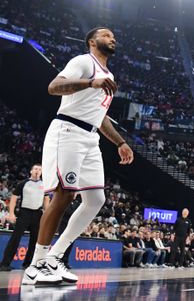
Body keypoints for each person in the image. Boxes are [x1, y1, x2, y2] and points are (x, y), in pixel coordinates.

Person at [23, 27, 134, 286]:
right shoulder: (84, 62)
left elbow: (101, 116)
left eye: (113, 35)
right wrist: (89, 82)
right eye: (106, 35)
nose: (112, 38)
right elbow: (54, 87)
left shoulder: (109, 74)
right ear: (92, 41)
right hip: (69, 129)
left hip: (91, 136)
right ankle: (36, 265)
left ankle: (55, 257)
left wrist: (120, 142)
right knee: (64, 194)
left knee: (96, 198)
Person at [0, 164, 49, 271]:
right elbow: (13, 198)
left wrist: (47, 213)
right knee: (15, 238)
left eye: (40, 169)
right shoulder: (23, 183)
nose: (38, 171)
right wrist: (11, 213)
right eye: (35, 169)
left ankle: (28, 264)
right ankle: (5, 263)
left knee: (34, 240)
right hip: (24, 213)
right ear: (31, 171)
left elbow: (46, 200)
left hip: (37, 214)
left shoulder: (45, 185)